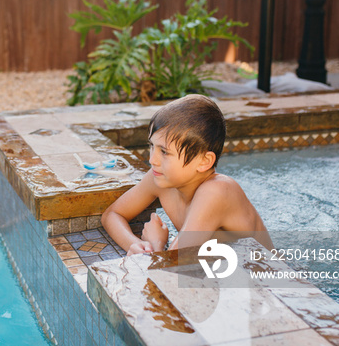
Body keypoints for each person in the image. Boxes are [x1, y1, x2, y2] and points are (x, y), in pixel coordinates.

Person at [101, 94, 273, 254]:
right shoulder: (161, 178)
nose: (152, 159)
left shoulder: (217, 192)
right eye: (152, 146)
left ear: (204, 161)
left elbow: (173, 268)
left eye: (165, 152)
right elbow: (112, 215)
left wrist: (157, 245)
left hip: (268, 280)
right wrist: (135, 245)